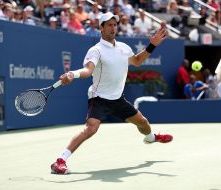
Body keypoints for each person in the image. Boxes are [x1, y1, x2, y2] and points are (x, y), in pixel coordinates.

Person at [50, 12, 173, 175]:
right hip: (99, 97)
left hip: (117, 98)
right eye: (109, 25)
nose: (113, 28)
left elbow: (137, 61)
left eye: (115, 25)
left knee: (142, 122)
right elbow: (88, 70)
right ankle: (59, 161)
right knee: (91, 128)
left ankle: (151, 138)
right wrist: (73, 74)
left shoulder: (124, 48)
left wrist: (152, 46)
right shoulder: (96, 50)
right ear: (101, 28)